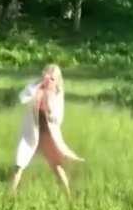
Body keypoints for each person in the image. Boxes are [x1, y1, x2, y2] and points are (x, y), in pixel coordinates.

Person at [11, 64, 84, 197]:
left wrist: (50, 110)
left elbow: (58, 117)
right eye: (47, 75)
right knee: (19, 163)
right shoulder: (34, 87)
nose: (49, 79)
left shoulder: (57, 94)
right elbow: (22, 98)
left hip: (47, 135)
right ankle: (11, 194)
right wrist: (37, 89)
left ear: (57, 80)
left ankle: (68, 195)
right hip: (31, 133)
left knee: (56, 165)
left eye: (53, 78)